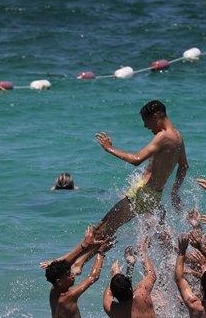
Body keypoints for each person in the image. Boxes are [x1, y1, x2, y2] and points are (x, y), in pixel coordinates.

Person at [46, 100, 189, 266]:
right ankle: (79, 262)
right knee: (108, 230)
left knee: (102, 228)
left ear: (157, 116)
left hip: (141, 194)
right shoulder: (178, 136)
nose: (146, 127)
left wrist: (109, 148)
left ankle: (65, 261)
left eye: (147, 122)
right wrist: (174, 192)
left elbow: (137, 159)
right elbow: (184, 166)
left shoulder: (163, 137)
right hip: (154, 196)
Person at [45, 233, 108, 318]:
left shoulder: (53, 293)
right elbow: (93, 277)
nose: (72, 274)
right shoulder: (69, 296)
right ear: (59, 281)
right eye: (68, 275)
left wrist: (85, 246)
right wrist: (101, 252)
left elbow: (64, 265)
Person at [104, 243, 162, 318]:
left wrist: (115, 273)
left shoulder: (113, 308)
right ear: (131, 288)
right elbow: (151, 274)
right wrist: (143, 253)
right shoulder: (142, 294)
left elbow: (108, 294)